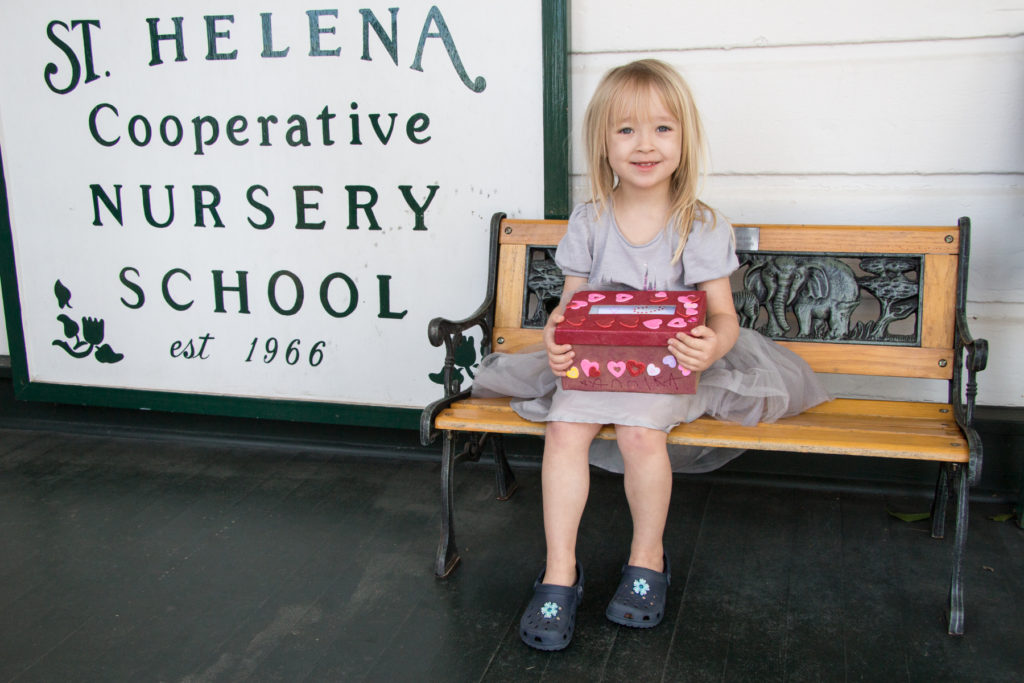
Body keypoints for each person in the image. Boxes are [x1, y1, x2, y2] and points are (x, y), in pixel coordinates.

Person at [471, 59, 829, 651]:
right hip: (598, 361)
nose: (644, 145)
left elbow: (723, 316)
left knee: (641, 436)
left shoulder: (700, 224)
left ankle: (647, 559)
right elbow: (569, 308)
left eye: (662, 129)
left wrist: (712, 342)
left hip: (668, 363)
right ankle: (560, 570)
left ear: (685, 141)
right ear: (603, 145)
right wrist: (559, 343)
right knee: (564, 430)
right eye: (626, 130)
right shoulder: (590, 220)